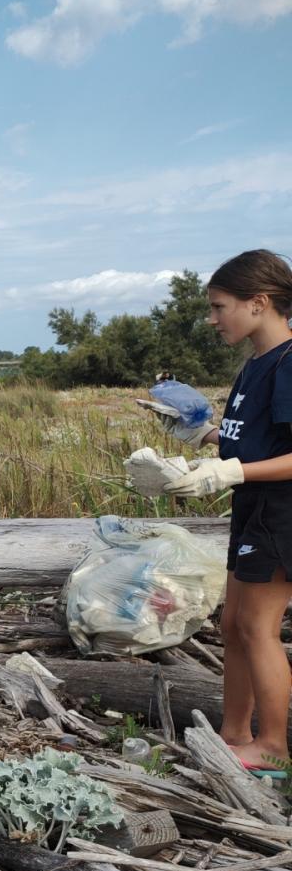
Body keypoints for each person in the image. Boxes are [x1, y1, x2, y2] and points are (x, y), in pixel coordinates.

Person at [151, 249, 292, 770]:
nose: (212, 319)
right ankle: (235, 733)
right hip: (252, 509)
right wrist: (198, 435)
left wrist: (231, 472)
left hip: (282, 516)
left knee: (258, 627)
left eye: (219, 306)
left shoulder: (289, 362)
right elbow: (249, 441)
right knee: (232, 625)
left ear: (259, 302)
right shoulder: (256, 365)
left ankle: (273, 746)